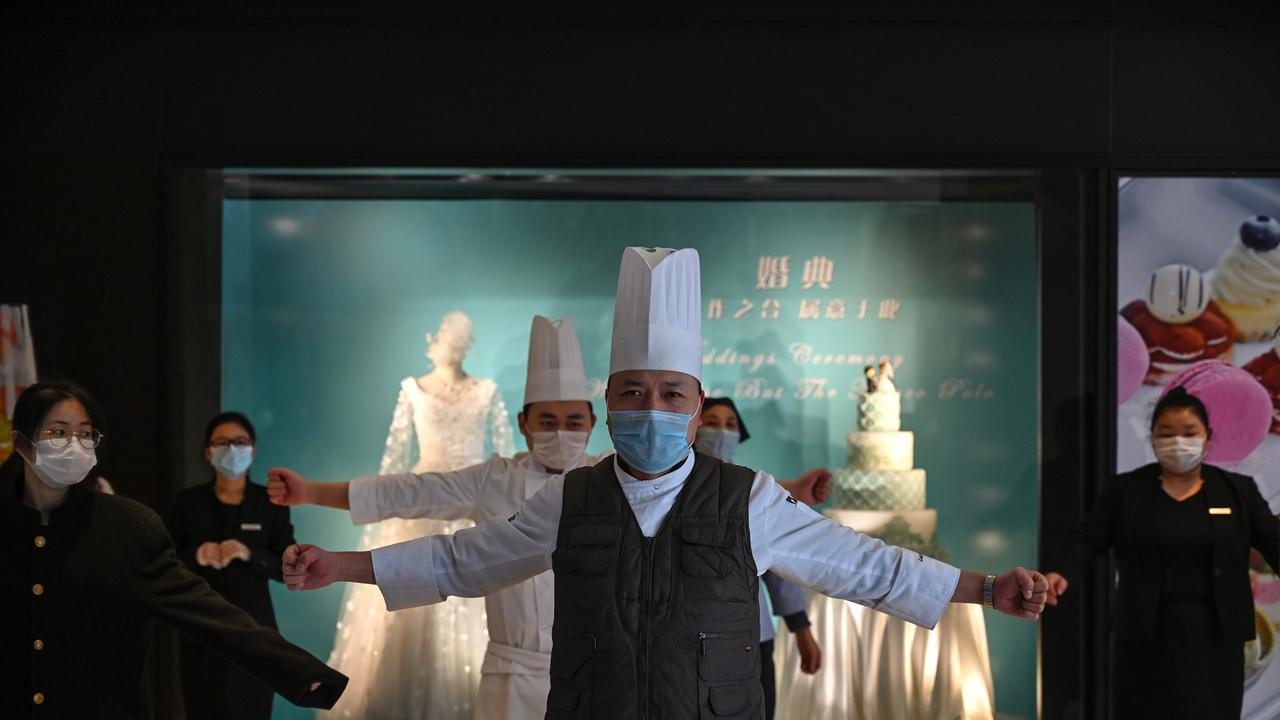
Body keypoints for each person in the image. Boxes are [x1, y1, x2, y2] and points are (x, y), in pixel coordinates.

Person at [283, 247, 1048, 720]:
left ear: (696, 404)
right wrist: (338, 564)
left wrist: (984, 590)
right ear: (608, 402)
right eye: (632, 392)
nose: (651, 409)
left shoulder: (746, 495)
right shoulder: (570, 497)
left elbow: (866, 567)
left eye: (671, 394)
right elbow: (462, 561)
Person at [267, 315, 609, 720]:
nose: (560, 434)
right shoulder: (496, 478)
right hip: (511, 675)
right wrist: (311, 493)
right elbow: (412, 494)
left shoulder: (610, 479)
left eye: (573, 423)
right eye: (547, 422)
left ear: (592, 423)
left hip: (598, 671)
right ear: (524, 424)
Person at [0, 381, 347, 719]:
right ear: (22, 443)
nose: (74, 444)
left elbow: (211, 615)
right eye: (58, 432)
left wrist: (300, 671)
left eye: (85, 433)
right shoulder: (188, 503)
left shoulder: (126, 528)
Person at [1045, 387, 1280, 720]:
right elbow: (1088, 538)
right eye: (1166, 434)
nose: (1178, 442)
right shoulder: (1125, 489)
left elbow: (1272, 539)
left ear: (1207, 437)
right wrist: (1061, 572)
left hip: (1215, 635)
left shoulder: (1237, 490)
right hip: (1145, 634)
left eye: (1189, 433)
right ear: (1152, 439)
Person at [695, 396, 826, 719]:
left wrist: (801, 629)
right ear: (694, 429)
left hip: (752, 637)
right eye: (712, 423)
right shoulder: (668, 485)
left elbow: (777, 568)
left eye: (730, 425)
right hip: (689, 638)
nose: (722, 432)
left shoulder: (753, 492)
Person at [169, 411, 296, 720]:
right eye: (222, 442)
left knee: (252, 708)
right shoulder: (188, 502)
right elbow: (165, 563)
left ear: (252, 449)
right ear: (208, 450)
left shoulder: (270, 502)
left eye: (239, 442)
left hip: (255, 632)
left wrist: (250, 554)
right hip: (201, 631)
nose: (231, 449)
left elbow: (288, 568)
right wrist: (196, 556)